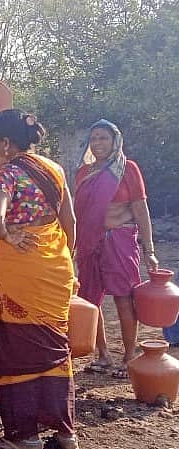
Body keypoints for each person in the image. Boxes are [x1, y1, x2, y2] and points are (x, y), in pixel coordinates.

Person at [0, 109, 79, 449]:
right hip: (55, 268)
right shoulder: (56, 170)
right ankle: (66, 434)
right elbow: (71, 223)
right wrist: (67, 263)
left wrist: (7, 236)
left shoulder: (7, 174)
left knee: (16, 346)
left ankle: (26, 436)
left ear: (6, 142)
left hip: (19, 272)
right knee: (55, 347)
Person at [74, 119, 159, 378]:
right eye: (94, 138)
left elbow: (140, 210)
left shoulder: (127, 169)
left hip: (119, 240)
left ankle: (128, 356)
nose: (98, 143)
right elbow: (78, 212)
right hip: (90, 242)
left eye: (104, 138)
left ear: (115, 141)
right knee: (91, 300)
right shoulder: (84, 172)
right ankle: (102, 354)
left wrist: (150, 250)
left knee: (123, 297)